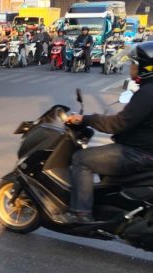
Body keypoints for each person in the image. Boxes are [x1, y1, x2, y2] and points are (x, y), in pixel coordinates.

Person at [65, 42, 153, 223]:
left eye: (134, 64)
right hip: (143, 149)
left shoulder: (148, 92)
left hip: (138, 153)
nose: (131, 67)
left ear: (146, 67)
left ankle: (80, 213)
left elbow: (119, 124)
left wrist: (85, 119)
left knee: (81, 159)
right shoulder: (147, 90)